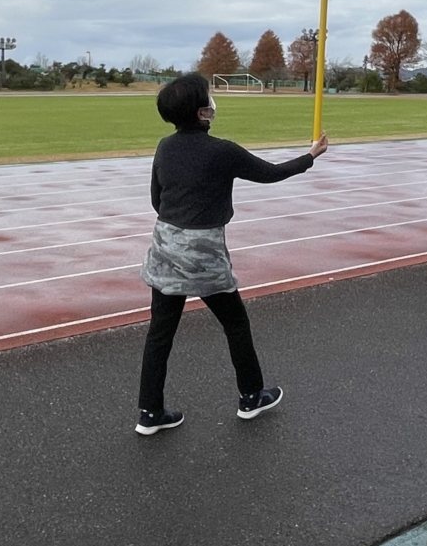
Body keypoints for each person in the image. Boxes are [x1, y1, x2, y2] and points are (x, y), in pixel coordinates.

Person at [136, 73, 328, 435]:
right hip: (204, 252)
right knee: (235, 323)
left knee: (160, 332)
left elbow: (156, 200)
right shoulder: (222, 151)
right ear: (202, 112)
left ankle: (149, 412)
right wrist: (311, 155)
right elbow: (271, 173)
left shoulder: (165, 146)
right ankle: (251, 396)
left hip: (165, 247)